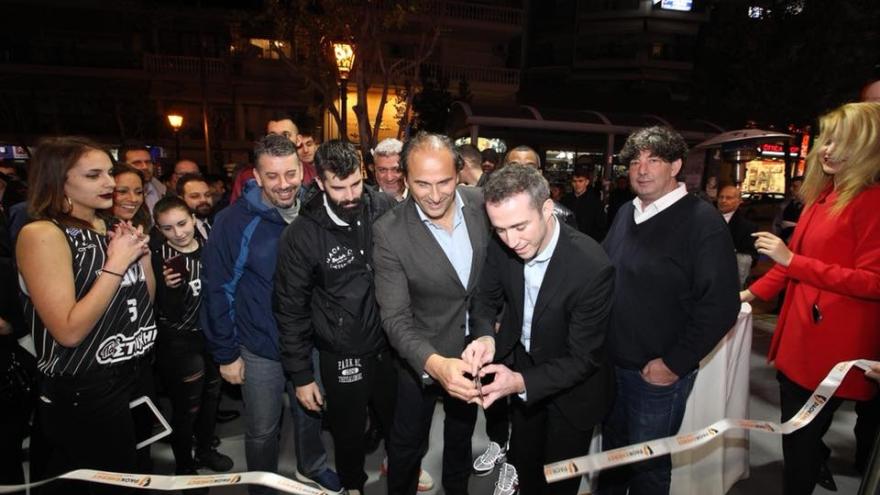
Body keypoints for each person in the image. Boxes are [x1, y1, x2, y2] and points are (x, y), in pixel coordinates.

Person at [741, 102, 880, 495]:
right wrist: (746, 295)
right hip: (800, 341)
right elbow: (791, 265)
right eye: (826, 140)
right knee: (798, 439)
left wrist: (793, 261)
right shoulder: (824, 197)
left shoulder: (871, 201)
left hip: (830, 350)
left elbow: (873, 281)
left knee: (800, 442)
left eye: (840, 141)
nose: (827, 150)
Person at [599, 126, 740, 495]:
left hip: (655, 377)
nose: (642, 169)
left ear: (676, 166)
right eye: (635, 161)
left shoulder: (701, 221)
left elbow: (721, 305)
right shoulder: (626, 212)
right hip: (613, 366)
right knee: (611, 459)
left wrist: (674, 363)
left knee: (648, 469)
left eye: (654, 160)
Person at [201, 133, 340, 494]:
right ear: (257, 177)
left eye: (290, 173)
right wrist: (226, 353)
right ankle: (261, 485)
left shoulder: (318, 209)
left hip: (311, 342)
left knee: (311, 412)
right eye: (272, 176)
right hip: (261, 346)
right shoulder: (232, 221)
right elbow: (217, 289)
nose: (283, 184)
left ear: (303, 171)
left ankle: (312, 466)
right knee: (263, 428)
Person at [17, 136, 157, 494]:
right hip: (85, 388)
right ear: (59, 180)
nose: (110, 183)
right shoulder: (43, 234)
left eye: (109, 172)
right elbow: (68, 331)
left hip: (133, 374)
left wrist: (141, 257)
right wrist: (117, 264)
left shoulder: (109, 227)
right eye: (94, 175)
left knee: (136, 474)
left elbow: (143, 303)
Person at [463, 165, 615, 495]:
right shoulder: (502, 243)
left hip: (573, 394)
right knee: (526, 468)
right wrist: (485, 336)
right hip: (524, 377)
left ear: (547, 209)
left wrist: (519, 382)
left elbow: (583, 358)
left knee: (559, 484)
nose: (511, 240)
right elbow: (484, 298)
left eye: (520, 226)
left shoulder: (592, 266)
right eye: (500, 229)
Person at [275, 140, 397, 494]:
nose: (350, 195)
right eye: (339, 187)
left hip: (391, 344)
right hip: (342, 351)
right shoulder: (301, 234)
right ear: (320, 182)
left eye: (356, 183)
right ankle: (353, 484)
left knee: (398, 420)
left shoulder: (384, 207)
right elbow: (290, 308)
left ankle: (401, 465)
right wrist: (301, 375)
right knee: (348, 431)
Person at [372, 132, 490, 495]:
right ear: (405, 179)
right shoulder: (389, 232)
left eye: (445, 182)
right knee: (407, 444)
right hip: (419, 355)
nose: (435, 195)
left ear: (460, 173)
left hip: (474, 353)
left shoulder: (482, 204)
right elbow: (395, 319)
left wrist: (489, 330)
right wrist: (435, 365)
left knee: (461, 435)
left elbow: (489, 282)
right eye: (423, 184)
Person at [151, 196, 233, 482]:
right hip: (179, 342)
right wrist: (170, 289)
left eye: (182, 223)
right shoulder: (159, 258)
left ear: (193, 219)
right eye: (168, 228)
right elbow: (165, 311)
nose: (178, 232)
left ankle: (205, 450)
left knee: (212, 398)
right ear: (159, 230)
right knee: (187, 407)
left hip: (211, 336)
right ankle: (184, 465)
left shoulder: (209, 249)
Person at [716, 184, 758, 288]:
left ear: (739, 201)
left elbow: (752, 257)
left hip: (731, 280)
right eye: (721, 197)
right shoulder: (706, 219)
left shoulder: (748, 227)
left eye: (728, 198)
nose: (723, 201)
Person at [560, 165, 606, 241]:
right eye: (575, 181)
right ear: (572, 183)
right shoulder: (565, 200)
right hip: (567, 240)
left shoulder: (595, 203)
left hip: (587, 241)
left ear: (587, 182)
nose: (577, 184)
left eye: (580, 181)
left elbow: (600, 227)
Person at [118, 143, 165, 212]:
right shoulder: (114, 195)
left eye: (148, 162)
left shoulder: (164, 191)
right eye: (137, 163)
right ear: (123, 165)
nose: (145, 167)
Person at [109, 163, 152, 230]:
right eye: (122, 191)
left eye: (139, 192)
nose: (133, 199)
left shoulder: (144, 226)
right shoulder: (97, 231)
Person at [176, 174, 214, 241]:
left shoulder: (220, 222)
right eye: (195, 196)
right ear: (181, 200)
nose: (203, 200)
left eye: (207, 195)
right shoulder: (177, 231)